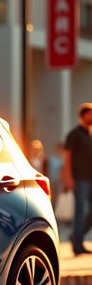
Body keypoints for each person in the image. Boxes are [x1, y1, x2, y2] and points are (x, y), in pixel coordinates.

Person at [63, 102, 92, 256]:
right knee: (80, 211)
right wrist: (68, 177)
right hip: (79, 178)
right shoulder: (74, 134)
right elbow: (67, 157)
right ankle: (77, 246)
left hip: (91, 178)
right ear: (84, 115)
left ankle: (76, 236)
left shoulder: (89, 134)